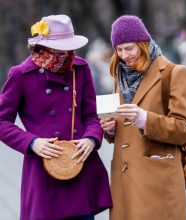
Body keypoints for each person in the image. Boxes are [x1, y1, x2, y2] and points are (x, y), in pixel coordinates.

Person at [0, 15, 112, 220]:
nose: (67, 55)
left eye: (69, 49)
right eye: (60, 49)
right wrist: (32, 142)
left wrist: (91, 138)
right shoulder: (21, 75)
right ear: (43, 47)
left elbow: (91, 115)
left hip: (79, 167)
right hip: (44, 173)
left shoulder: (81, 68)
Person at [100, 15, 186, 220]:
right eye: (119, 49)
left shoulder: (176, 73)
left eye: (129, 48)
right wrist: (110, 129)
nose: (124, 55)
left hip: (157, 183)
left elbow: (184, 129)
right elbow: (124, 130)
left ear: (143, 44)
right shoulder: (120, 77)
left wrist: (145, 119)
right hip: (123, 183)